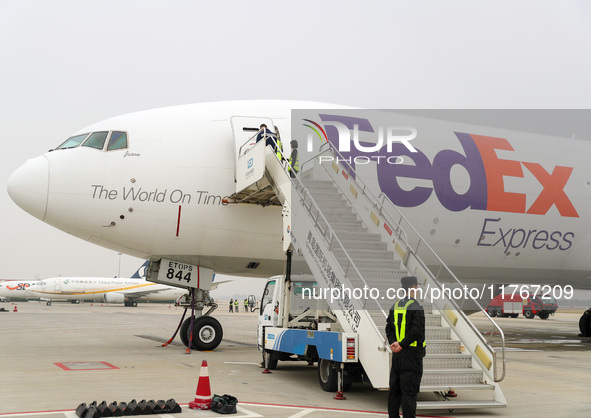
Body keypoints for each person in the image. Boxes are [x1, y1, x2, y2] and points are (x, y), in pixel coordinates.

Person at [385, 276, 426, 418]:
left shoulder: (395, 306)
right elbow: (416, 331)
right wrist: (401, 345)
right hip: (411, 357)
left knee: (394, 392)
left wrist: (394, 344)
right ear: (414, 287)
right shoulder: (416, 307)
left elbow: (388, 328)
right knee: (409, 395)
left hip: (397, 357)